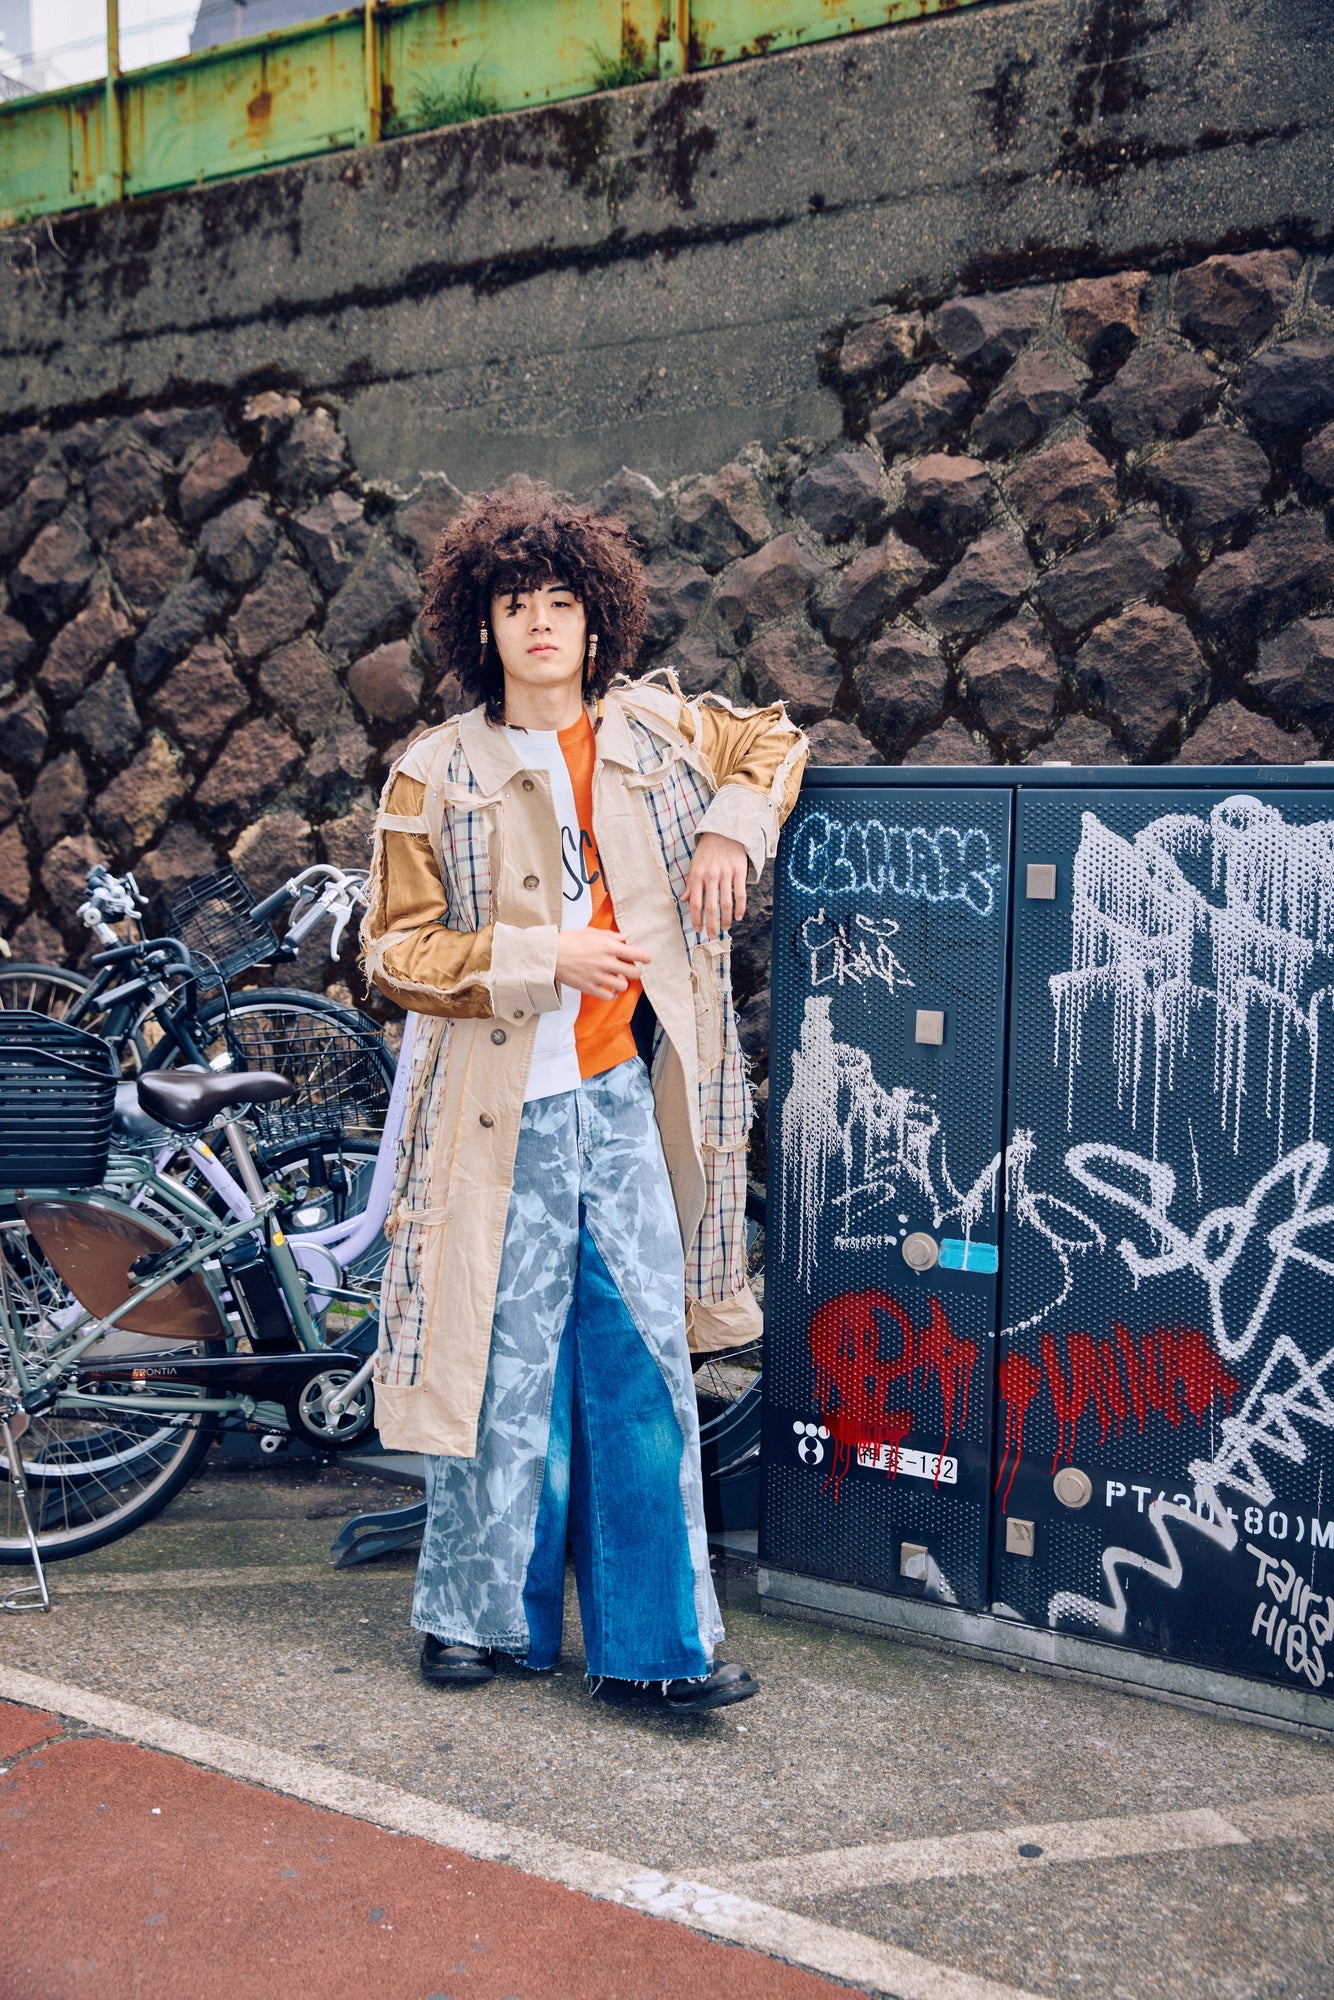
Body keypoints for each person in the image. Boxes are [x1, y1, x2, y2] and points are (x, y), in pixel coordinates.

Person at [361, 481, 807, 1712]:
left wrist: (729, 828)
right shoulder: (432, 771)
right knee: (495, 1370)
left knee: (643, 1367)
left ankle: (659, 1646)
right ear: (481, 624)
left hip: (618, 1101)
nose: (541, 623)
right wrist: (535, 954)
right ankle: (472, 1619)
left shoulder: (658, 731)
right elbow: (392, 952)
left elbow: (771, 739)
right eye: (516, 603)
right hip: (488, 1115)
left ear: (596, 618)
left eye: (561, 600)